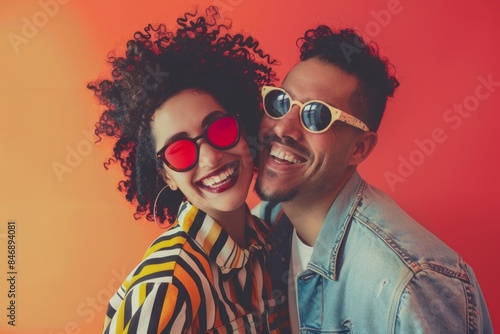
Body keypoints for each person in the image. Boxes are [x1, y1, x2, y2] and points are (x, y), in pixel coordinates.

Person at [253, 25, 493, 333]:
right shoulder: (263, 229)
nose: (284, 128)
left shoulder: (406, 285)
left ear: (359, 148)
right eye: (281, 102)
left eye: (316, 116)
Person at [88, 7, 289, 333]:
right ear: (166, 174)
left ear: (243, 128)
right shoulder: (168, 285)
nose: (210, 158)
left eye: (220, 128)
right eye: (180, 151)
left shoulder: (268, 244)